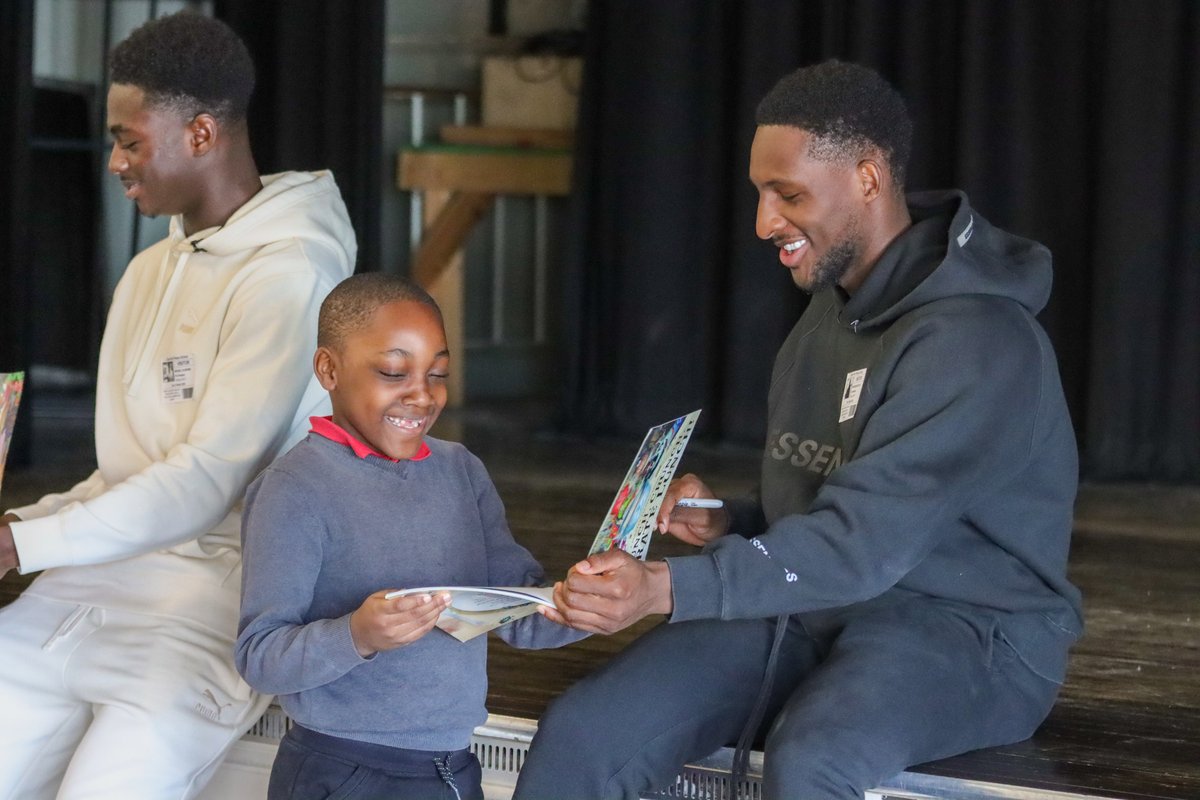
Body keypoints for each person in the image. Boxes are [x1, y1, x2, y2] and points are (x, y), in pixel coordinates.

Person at [514, 59, 1084, 800]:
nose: (763, 223)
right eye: (759, 193)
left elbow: (859, 544)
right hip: (821, 601)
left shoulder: (977, 342)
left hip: (974, 632)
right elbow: (829, 508)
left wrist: (662, 587)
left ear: (869, 178)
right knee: (588, 730)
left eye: (788, 194)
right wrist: (727, 521)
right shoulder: (833, 306)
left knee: (814, 758)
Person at [0, 11, 356, 799]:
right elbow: (123, 474)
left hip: (215, 600)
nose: (114, 163)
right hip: (92, 581)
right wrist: (23, 528)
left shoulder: (292, 273)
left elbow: (203, 485)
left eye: (129, 139)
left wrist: (25, 548)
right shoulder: (147, 271)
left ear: (201, 134)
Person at [235, 273, 585, 800]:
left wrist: (590, 603)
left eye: (438, 373)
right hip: (345, 771)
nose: (422, 395)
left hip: (452, 769)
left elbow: (520, 615)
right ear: (328, 369)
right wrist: (358, 635)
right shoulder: (295, 490)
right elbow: (261, 656)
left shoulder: (461, 470)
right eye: (394, 371)